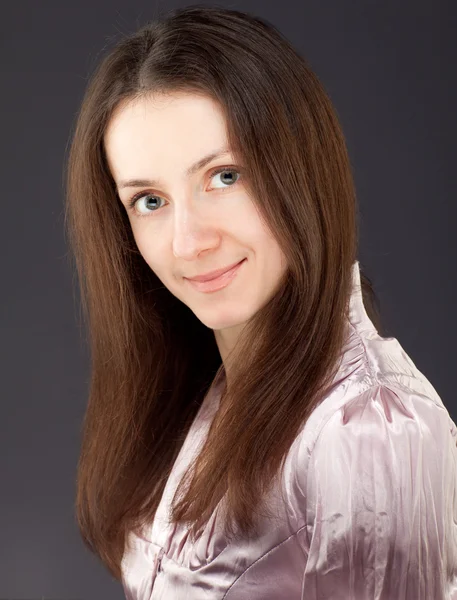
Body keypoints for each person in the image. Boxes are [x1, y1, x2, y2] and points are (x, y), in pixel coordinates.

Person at [64, 4, 457, 599]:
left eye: (224, 176)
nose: (188, 242)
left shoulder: (369, 431)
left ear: (298, 167)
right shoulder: (206, 392)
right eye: (149, 200)